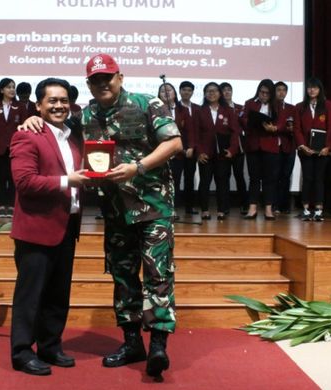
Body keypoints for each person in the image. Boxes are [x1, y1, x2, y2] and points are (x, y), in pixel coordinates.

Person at [21, 53, 182, 378]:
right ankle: (132, 341)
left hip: (154, 210)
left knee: (158, 275)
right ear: (89, 85)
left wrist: (138, 167)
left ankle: (159, 347)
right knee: (123, 280)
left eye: (107, 77)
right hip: (115, 213)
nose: (103, 84)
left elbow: (174, 143)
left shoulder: (146, 103)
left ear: (120, 77)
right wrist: (30, 120)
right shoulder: (86, 115)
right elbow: (57, 131)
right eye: (96, 80)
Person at [9, 77, 88, 376]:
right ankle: (21, 352)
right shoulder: (26, 136)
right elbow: (25, 182)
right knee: (31, 295)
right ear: (39, 105)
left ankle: (50, 345)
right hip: (36, 228)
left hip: (67, 224)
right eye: (52, 101)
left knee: (58, 293)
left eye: (63, 100)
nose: (59, 105)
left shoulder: (72, 135)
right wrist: (69, 181)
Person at [241, 79, 285, 220]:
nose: (264, 95)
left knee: (269, 179)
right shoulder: (250, 103)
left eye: (267, 93)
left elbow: (283, 123)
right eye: (262, 92)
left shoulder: (277, 106)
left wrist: (275, 128)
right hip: (253, 145)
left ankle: (268, 209)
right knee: (254, 178)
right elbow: (242, 119)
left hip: (270, 145)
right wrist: (252, 122)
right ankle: (252, 209)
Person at [197, 82, 240, 221]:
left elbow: (235, 132)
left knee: (222, 183)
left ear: (220, 93)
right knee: (205, 182)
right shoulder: (199, 111)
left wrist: (232, 150)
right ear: (204, 94)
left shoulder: (228, 110)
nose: (212, 93)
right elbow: (195, 134)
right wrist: (199, 152)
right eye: (208, 91)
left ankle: (222, 210)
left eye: (215, 91)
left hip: (223, 154)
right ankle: (204, 210)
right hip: (205, 154)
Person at [294, 77, 331, 221]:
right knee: (307, 178)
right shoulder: (299, 106)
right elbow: (297, 129)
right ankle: (305, 209)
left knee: (319, 178)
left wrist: (328, 147)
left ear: (320, 90)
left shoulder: (328, 105)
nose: (312, 90)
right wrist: (302, 145)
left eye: (315, 87)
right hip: (305, 149)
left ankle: (318, 209)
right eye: (310, 87)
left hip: (322, 150)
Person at [0, 78, 27, 218]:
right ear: (1, 90)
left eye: (13, 87)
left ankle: (12, 205)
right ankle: (0, 205)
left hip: (15, 149)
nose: (12, 89)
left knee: (13, 178)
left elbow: (24, 130)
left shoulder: (20, 106)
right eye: (8, 87)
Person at [158, 82, 196, 217]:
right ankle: (164, 209)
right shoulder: (155, 110)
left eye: (169, 90)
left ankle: (175, 208)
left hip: (180, 152)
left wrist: (190, 146)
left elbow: (190, 130)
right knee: (164, 182)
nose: (166, 93)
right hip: (161, 152)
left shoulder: (183, 110)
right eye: (163, 91)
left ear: (175, 93)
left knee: (177, 181)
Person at [220, 82, 248, 215]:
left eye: (229, 90)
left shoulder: (240, 108)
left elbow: (245, 124)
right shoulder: (218, 108)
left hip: (239, 147)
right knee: (224, 176)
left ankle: (244, 204)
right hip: (223, 147)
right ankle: (224, 206)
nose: (227, 92)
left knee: (239, 175)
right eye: (224, 90)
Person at [274, 81, 297, 214]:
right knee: (274, 177)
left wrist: (290, 129)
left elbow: (295, 126)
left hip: (289, 145)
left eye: (284, 90)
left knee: (286, 176)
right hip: (273, 146)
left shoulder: (292, 108)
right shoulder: (270, 107)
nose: (281, 92)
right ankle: (274, 204)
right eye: (278, 90)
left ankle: (285, 205)